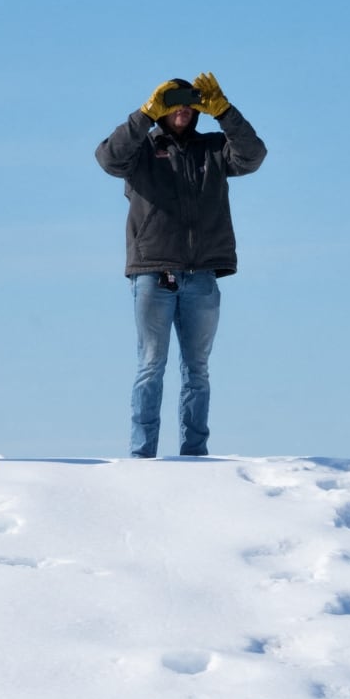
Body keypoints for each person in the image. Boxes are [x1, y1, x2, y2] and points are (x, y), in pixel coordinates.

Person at [94, 73, 266, 458]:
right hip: (153, 273)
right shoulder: (141, 150)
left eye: (190, 102)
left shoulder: (214, 148)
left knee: (197, 370)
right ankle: (142, 454)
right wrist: (143, 115)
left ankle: (194, 455)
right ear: (162, 107)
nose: (184, 110)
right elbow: (108, 157)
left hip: (202, 274)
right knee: (151, 365)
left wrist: (225, 112)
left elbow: (253, 155)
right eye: (174, 102)